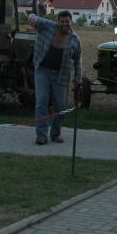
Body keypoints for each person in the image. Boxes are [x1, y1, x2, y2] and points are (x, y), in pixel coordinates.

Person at [28, 11, 82, 145]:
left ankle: (55, 134)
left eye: (67, 21)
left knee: (60, 106)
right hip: (42, 70)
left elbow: (77, 60)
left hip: (62, 75)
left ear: (71, 22)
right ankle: (41, 135)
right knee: (42, 102)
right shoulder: (48, 26)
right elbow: (33, 16)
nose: (65, 24)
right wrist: (32, 19)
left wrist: (78, 78)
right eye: (62, 21)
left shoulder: (75, 39)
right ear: (57, 22)